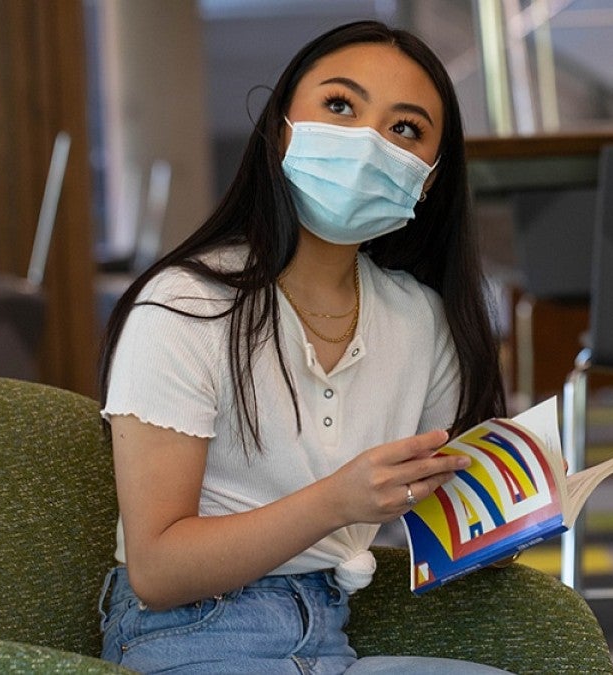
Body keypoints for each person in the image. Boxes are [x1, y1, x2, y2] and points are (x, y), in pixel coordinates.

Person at [96, 20, 512, 674]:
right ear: (282, 128)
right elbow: (156, 567)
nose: (368, 143)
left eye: (405, 129)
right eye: (340, 106)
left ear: (429, 179)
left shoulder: (422, 319)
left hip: (330, 634)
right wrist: (337, 501)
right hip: (189, 633)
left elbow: (437, 507)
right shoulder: (184, 304)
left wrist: (521, 497)